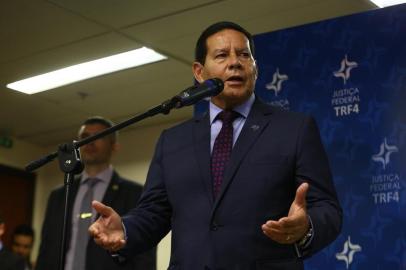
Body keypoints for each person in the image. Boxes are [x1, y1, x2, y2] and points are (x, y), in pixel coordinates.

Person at [89, 22, 343, 269]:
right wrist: (124, 228)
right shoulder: (172, 140)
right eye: (222, 55)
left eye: (244, 55)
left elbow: (327, 208)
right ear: (199, 73)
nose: (235, 62)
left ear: (255, 68)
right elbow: (154, 213)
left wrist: (305, 228)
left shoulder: (293, 129)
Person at [36, 116, 156, 270]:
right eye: (84, 137)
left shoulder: (135, 193)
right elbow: (46, 247)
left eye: (98, 136)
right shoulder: (59, 195)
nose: (89, 142)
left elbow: (144, 254)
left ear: (114, 146)